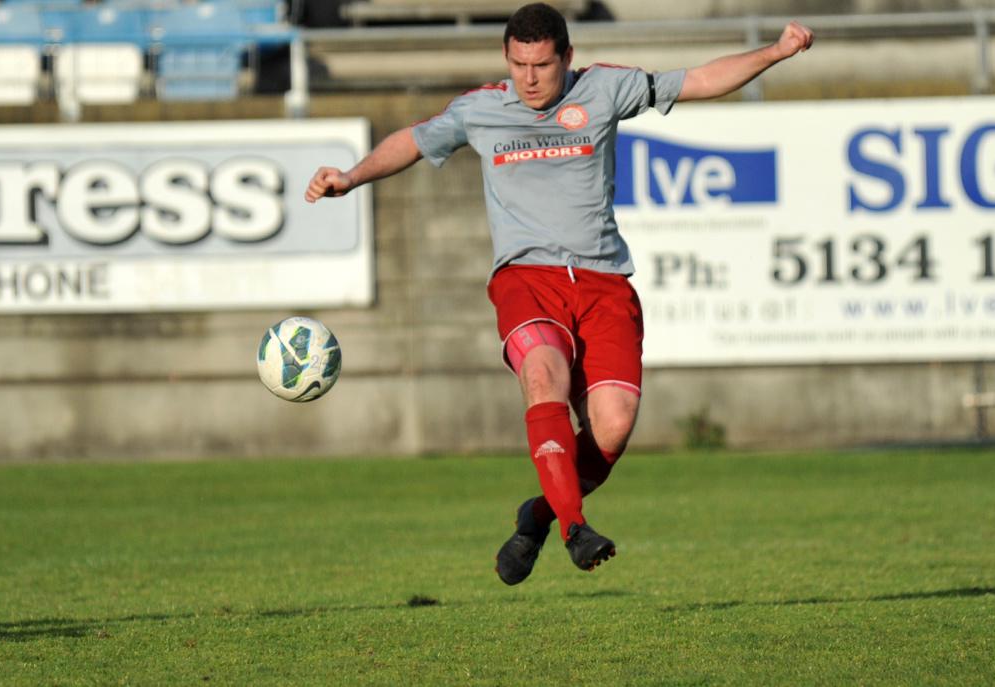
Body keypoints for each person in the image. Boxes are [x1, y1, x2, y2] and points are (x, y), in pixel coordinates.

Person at [305, 3, 814, 585]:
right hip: (526, 279)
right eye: (518, 64)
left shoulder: (606, 89)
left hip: (603, 283)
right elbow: (413, 141)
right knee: (543, 374)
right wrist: (350, 177)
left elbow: (698, 80)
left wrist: (776, 52)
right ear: (506, 57)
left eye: (542, 65)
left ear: (567, 57)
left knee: (613, 427)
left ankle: (539, 515)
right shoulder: (481, 109)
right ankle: (575, 527)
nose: (529, 78)